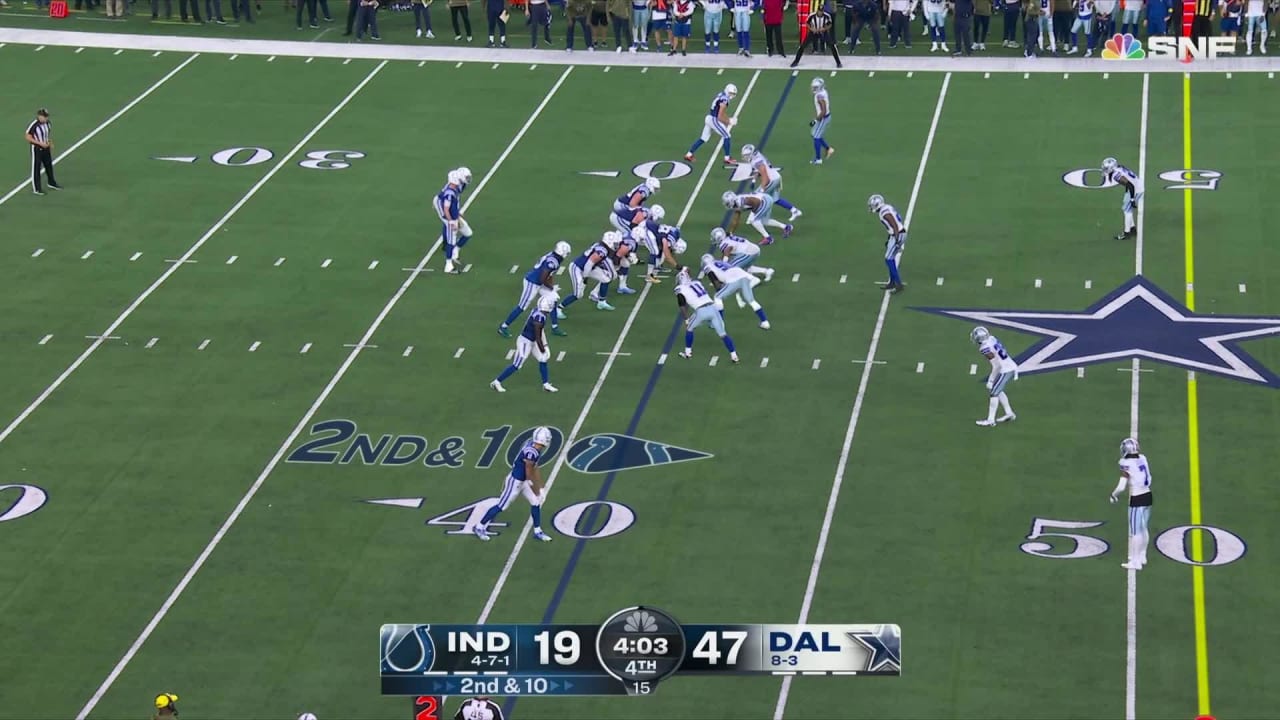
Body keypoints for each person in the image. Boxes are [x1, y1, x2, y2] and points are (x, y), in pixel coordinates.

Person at [472, 427, 556, 541]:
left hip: (523, 481)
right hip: (515, 482)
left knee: (536, 502)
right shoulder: (531, 452)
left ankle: (537, 531)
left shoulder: (534, 447)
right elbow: (529, 473)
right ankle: (479, 527)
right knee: (502, 506)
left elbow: (535, 468)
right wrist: (537, 490)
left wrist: (541, 487)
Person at [490, 296, 560, 394]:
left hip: (533, 340)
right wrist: (543, 348)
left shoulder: (539, 312)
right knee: (517, 364)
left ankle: (546, 384)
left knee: (543, 358)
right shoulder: (539, 318)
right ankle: (496, 382)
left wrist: (545, 345)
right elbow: (538, 335)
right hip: (525, 341)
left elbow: (541, 332)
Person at [675, 267, 740, 363]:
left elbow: (682, 303)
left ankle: (688, 353)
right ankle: (734, 356)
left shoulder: (680, 288)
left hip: (701, 311)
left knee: (689, 328)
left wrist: (686, 318)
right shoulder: (697, 283)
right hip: (713, 308)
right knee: (723, 334)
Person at [1111, 437, 1153, 572]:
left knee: (1135, 531)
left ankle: (1135, 562)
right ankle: (1142, 556)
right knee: (1143, 527)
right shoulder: (1143, 458)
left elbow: (1122, 486)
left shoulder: (1125, 463)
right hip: (1148, 495)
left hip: (1137, 498)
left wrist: (1114, 494)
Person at [969, 326, 1018, 427]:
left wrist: (990, 380)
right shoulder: (992, 338)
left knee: (994, 393)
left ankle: (990, 420)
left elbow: (997, 366)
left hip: (1006, 370)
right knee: (997, 390)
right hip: (1010, 365)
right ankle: (1009, 413)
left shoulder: (985, 348)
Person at [867, 193, 905, 292]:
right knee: (889, 258)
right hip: (896, 234)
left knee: (888, 259)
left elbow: (894, 225)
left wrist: (896, 240)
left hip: (898, 234)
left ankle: (898, 284)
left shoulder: (884, 212)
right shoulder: (887, 207)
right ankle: (892, 282)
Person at [1101, 156, 1142, 241]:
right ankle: (1132, 229)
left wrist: (1132, 199)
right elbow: (1129, 183)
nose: (1105, 169)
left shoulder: (1116, 175)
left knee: (1127, 211)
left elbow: (1130, 185)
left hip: (1136, 188)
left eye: (1106, 168)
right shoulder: (1119, 168)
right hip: (1137, 185)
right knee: (1126, 209)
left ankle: (1127, 233)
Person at [26, 108, 60, 196]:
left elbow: (47, 135)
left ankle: (51, 182)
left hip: (46, 148)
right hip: (37, 149)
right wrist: (40, 143)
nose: (45, 118)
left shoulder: (48, 124)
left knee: (49, 165)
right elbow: (28, 137)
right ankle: (37, 189)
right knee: (36, 168)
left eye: (46, 116)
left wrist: (49, 142)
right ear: (39, 116)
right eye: (44, 116)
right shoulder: (34, 125)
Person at [809, 77, 835, 164]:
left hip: (823, 118)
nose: (813, 89)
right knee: (814, 134)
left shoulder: (819, 96)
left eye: (815, 87)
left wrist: (816, 120)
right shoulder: (823, 92)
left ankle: (818, 159)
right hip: (824, 117)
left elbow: (823, 110)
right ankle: (828, 149)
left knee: (816, 137)